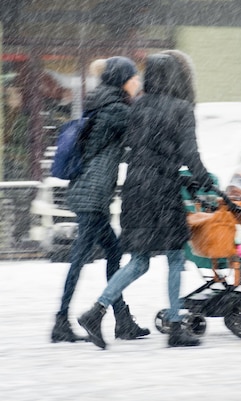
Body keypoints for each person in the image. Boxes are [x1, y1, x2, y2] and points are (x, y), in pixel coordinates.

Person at [78, 50, 216, 349]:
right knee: (176, 256)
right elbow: (189, 155)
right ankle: (177, 326)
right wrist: (206, 183)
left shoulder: (137, 106)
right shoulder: (180, 108)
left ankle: (95, 311)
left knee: (140, 261)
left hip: (135, 190)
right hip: (162, 192)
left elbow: (142, 149)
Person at [51, 56, 147, 343]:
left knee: (113, 253)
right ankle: (62, 321)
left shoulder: (102, 104)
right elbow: (142, 132)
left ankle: (122, 320)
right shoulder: (117, 110)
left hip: (90, 192)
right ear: (122, 81)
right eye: (134, 78)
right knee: (79, 258)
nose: (137, 83)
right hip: (93, 196)